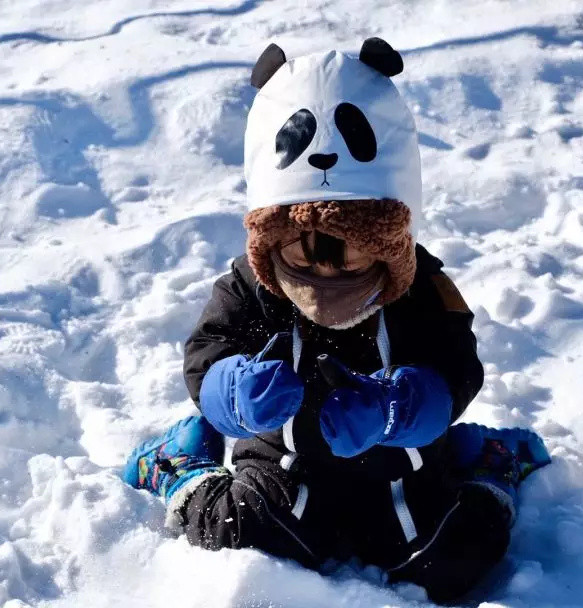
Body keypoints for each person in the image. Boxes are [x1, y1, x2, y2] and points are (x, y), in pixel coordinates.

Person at [122, 38, 551, 604]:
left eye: (347, 256)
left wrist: (398, 407)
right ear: (270, 244)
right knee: (236, 537)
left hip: (404, 474)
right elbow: (207, 351)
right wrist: (235, 391)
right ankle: (183, 469)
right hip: (283, 467)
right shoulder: (249, 286)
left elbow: (457, 368)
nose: (325, 277)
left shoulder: (423, 289)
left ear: (389, 243)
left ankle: (491, 467)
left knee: (454, 560)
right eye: (304, 255)